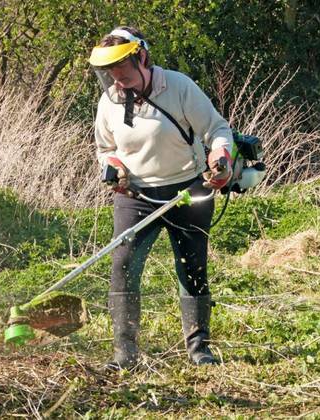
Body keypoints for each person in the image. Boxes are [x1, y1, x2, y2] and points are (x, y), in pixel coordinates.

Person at [88, 26, 233, 370]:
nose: (117, 81)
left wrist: (220, 158)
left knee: (192, 266)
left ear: (141, 58)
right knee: (123, 266)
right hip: (135, 195)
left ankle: (199, 349)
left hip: (188, 191)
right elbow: (105, 148)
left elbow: (217, 130)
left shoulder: (179, 86)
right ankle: (125, 354)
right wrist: (112, 167)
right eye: (110, 74)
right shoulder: (109, 100)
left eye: (122, 72)